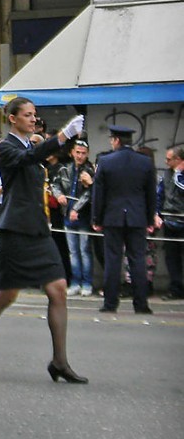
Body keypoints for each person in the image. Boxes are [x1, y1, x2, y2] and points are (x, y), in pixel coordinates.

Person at [0, 98, 88, 384]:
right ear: (12, 119)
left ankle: (59, 361)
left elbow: (36, 160)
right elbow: (28, 159)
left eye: (34, 114)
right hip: (15, 231)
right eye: (27, 115)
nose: (32, 119)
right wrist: (62, 137)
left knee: (58, 289)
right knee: (7, 295)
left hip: (38, 230)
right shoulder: (7, 147)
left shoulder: (29, 147)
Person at [92, 125, 156, 315]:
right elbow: (150, 193)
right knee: (138, 260)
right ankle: (141, 304)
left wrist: (97, 217)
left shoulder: (105, 161)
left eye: (112, 139)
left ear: (117, 140)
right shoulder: (145, 162)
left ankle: (110, 303)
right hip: (137, 217)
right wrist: (150, 217)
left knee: (113, 260)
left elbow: (99, 193)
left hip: (112, 217)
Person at [52, 140, 95, 296]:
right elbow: (54, 185)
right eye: (78, 152)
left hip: (83, 217)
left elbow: (89, 193)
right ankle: (75, 282)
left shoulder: (89, 171)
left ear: (88, 154)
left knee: (84, 251)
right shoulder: (65, 169)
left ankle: (87, 283)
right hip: (67, 216)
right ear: (72, 152)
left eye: (83, 153)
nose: (80, 156)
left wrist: (76, 208)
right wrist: (59, 195)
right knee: (73, 252)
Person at [156, 146, 184, 300]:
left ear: (178, 160)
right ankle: (176, 288)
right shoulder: (166, 174)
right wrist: (156, 214)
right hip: (170, 221)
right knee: (172, 258)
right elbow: (160, 195)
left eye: (169, 159)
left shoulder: (179, 174)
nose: (166, 162)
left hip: (182, 219)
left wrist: (178, 174)